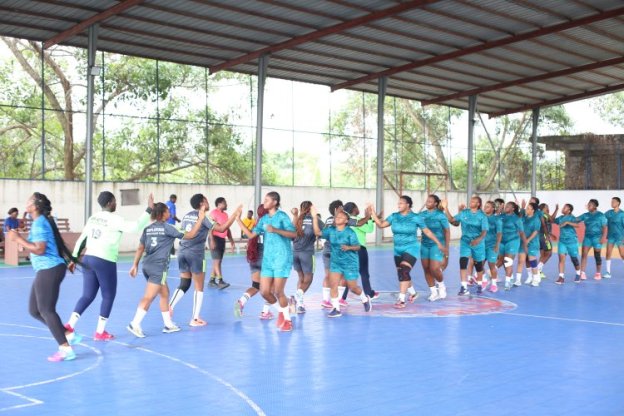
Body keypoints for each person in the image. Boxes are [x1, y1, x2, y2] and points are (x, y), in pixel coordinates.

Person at [65, 191, 153, 341]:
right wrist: (149, 209)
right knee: (108, 296)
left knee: (87, 295)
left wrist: (73, 258)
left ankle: (69, 325)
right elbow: (136, 227)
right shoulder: (115, 219)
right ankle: (100, 332)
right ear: (109, 203)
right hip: (104, 260)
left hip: (88, 258)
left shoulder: (93, 218)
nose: (116, 203)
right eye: (114, 201)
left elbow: (82, 239)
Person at [6, 193, 81, 361]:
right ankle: (68, 334)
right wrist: (22, 244)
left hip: (49, 269)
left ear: (35, 206)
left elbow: (40, 249)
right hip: (46, 269)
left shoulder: (40, 223)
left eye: (29, 200)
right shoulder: (39, 222)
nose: (26, 202)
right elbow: (37, 246)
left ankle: (65, 349)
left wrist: (18, 239)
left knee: (46, 310)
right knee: (34, 310)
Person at [127, 201, 206, 338]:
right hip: (158, 268)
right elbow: (191, 234)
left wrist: (135, 265)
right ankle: (135, 323)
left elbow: (140, 248)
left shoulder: (147, 229)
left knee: (164, 293)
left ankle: (168, 324)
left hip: (147, 265)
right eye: (168, 211)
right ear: (162, 214)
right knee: (149, 296)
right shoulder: (168, 228)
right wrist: (200, 219)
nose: (169, 213)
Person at [169, 194, 241, 326]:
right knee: (199, 287)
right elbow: (222, 228)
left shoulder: (186, 215)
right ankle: (195, 319)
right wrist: (235, 214)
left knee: (184, 283)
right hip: (195, 254)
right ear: (202, 202)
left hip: (182, 252)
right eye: (207, 200)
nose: (208, 203)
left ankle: (169, 307)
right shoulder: (204, 216)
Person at [369, 196, 446, 308]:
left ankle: (401, 300)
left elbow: (427, 232)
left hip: (411, 248)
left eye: (401, 203)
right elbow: (381, 225)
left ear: (408, 205)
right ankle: (413, 293)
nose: (398, 205)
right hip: (398, 249)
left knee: (404, 271)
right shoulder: (394, 216)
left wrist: (438, 243)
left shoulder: (416, 217)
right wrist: (373, 212)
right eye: (398, 203)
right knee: (401, 273)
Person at [237, 192, 297, 332]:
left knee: (278, 291)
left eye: (267, 200)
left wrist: (275, 230)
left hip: (281, 258)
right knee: (264, 291)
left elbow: (293, 234)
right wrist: (238, 220)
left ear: (275, 202)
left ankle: (287, 321)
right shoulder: (263, 219)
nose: (264, 202)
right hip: (268, 259)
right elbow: (251, 235)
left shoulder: (282, 216)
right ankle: (282, 311)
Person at [313, 205, 371, 317]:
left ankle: (364, 298)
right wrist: (315, 217)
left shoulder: (350, 232)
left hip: (350, 263)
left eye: (340, 217)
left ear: (346, 221)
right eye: (337, 217)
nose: (337, 218)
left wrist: (349, 247)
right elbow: (317, 232)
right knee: (333, 284)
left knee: (353, 287)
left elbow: (358, 247)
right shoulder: (330, 231)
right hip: (336, 262)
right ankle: (336, 308)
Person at [234, 204, 274, 319]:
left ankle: (241, 301)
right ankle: (265, 312)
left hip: (255, 259)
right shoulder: (270, 225)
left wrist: (238, 219)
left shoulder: (256, 224)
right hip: (266, 260)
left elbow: (248, 235)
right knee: (271, 288)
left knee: (256, 286)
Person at [442, 196, 488, 295]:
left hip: (478, 243)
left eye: (474, 201)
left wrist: (478, 239)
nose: (471, 202)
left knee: (478, 265)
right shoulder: (464, 213)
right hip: (465, 242)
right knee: (463, 262)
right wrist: (446, 208)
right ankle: (464, 287)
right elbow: (453, 221)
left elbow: (484, 231)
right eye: (471, 201)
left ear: (478, 204)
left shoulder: (482, 216)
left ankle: (480, 284)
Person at [291, 201, 323, 314]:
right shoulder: (315, 219)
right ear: (311, 209)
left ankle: (300, 305)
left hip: (295, 253)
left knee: (301, 278)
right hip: (307, 253)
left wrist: (294, 216)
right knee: (309, 279)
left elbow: (291, 234)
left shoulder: (298, 219)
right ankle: (297, 296)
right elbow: (323, 232)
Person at [342, 202, 377, 301]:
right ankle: (369, 293)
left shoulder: (347, 220)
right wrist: (369, 217)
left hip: (348, 250)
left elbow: (366, 221)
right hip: (359, 249)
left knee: (349, 274)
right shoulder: (357, 220)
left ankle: (342, 297)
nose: (358, 209)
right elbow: (369, 229)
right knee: (364, 272)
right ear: (354, 209)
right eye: (357, 207)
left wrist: (372, 217)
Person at [419, 195, 450, 301]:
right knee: (426, 269)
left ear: (435, 203)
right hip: (424, 244)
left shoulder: (441, 215)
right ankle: (433, 292)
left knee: (434, 268)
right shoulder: (422, 215)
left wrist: (446, 247)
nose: (427, 203)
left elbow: (447, 231)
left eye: (430, 201)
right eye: (427, 201)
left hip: (437, 244)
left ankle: (441, 285)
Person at [208, 197, 236, 289]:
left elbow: (227, 228)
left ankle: (212, 280)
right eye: (224, 203)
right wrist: (212, 240)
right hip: (214, 238)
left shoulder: (226, 215)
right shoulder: (213, 213)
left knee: (218, 260)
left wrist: (231, 240)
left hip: (222, 239)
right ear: (219, 204)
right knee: (217, 260)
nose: (226, 204)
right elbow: (209, 227)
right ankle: (220, 281)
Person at [577, 199, 607, 280]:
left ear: (594, 206)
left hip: (597, 238)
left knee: (597, 255)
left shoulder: (601, 215)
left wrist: (603, 237)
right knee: (584, 254)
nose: (588, 206)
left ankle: (598, 273)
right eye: (588, 204)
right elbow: (576, 219)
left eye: (590, 205)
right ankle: (582, 273)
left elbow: (604, 227)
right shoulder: (585, 215)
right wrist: (568, 217)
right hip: (587, 238)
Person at [499, 201, 525, 290]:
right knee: (502, 261)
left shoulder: (516, 219)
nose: (506, 207)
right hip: (502, 241)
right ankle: (510, 277)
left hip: (512, 241)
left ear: (513, 209)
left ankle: (507, 282)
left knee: (508, 261)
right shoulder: (501, 216)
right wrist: (499, 211)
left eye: (508, 206)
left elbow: (521, 232)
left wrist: (525, 244)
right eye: (506, 206)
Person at [554, 204, 582, 284]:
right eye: (563, 207)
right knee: (561, 258)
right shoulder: (560, 218)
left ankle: (578, 273)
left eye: (565, 208)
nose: (563, 208)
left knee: (574, 259)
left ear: (569, 211)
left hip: (572, 241)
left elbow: (577, 225)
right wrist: (556, 209)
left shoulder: (572, 217)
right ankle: (561, 277)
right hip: (562, 241)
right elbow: (552, 220)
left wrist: (567, 222)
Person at [521, 202, 543, 287]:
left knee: (532, 260)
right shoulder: (525, 218)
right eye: (526, 208)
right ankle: (530, 276)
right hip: (524, 242)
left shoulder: (536, 219)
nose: (526, 210)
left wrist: (528, 240)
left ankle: (536, 278)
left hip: (533, 243)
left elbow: (535, 232)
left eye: (528, 208)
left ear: (533, 210)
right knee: (526, 260)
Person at [482, 200, 502, 292]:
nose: (485, 208)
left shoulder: (497, 220)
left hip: (492, 246)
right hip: (481, 245)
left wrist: (497, 245)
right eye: (485, 206)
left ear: (493, 209)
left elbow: (499, 233)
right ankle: (484, 280)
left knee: (491, 265)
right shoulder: (481, 217)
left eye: (488, 206)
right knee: (479, 264)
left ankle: (494, 284)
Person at [604, 197, 624, 279]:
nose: (612, 203)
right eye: (611, 201)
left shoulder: (622, 214)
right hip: (611, 236)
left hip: (620, 237)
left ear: (618, 203)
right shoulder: (609, 213)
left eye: (614, 201)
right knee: (608, 253)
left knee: (622, 254)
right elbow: (601, 218)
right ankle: (608, 272)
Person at [537, 203, 558, 279]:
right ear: (543, 208)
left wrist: (556, 210)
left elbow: (550, 221)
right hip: (544, 236)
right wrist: (548, 236)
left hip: (539, 236)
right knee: (549, 253)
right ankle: (537, 270)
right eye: (547, 207)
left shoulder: (539, 215)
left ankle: (539, 272)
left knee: (542, 255)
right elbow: (552, 220)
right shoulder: (544, 215)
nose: (548, 208)